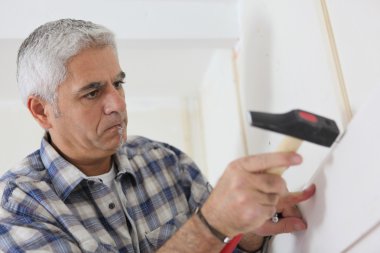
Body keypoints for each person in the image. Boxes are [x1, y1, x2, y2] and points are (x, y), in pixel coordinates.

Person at [0, 19, 315, 253]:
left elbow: (224, 244)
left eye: (118, 84)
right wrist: (212, 223)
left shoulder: (166, 161)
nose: (118, 104)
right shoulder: (18, 207)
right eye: (93, 92)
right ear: (41, 111)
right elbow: (212, 225)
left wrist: (246, 231)